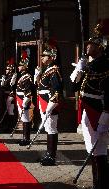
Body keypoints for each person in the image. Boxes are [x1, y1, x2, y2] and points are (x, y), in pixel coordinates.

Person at [70, 23, 109, 189]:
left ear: (100, 47)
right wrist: (79, 70)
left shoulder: (105, 65)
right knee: (92, 149)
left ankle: (102, 183)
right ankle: (97, 183)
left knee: (99, 149)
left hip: (98, 111)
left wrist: (105, 118)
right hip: (87, 108)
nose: (87, 46)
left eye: (91, 45)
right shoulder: (90, 65)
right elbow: (74, 87)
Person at [34, 39, 63, 166]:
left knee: (51, 128)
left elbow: (57, 90)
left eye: (44, 56)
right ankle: (48, 154)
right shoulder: (47, 69)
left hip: (49, 103)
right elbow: (41, 86)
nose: (42, 58)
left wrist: (50, 107)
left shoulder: (54, 70)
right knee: (48, 128)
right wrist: (37, 77)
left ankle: (51, 156)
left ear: (51, 57)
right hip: (44, 102)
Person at [16, 51, 34, 146]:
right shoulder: (22, 76)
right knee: (23, 118)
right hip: (20, 99)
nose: (18, 67)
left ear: (24, 67)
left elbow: (28, 91)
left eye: (20, 66)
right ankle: (24, 137)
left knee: (26, 119)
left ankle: (26, 139)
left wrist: (25, 101)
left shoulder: (27, 77)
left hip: (24, 99)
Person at [0, 58, 17, 133]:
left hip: (11, 95)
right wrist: (3, 81)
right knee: (5, 111)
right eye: (7, 68)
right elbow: (3, 87)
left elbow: (13, 86)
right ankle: (6, 126)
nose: (8, 69)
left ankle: (12, 127)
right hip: (5, 95)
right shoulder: (6, 76)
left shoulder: (14, 76)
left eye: (9, 68)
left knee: (11, 111)